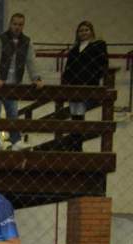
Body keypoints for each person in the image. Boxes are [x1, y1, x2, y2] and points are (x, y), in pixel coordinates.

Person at [0, 13, 44, 150]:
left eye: (20, 24)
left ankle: (16, 141)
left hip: (14, 83)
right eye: (15, 24)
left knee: (13, 112)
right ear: (10, 24)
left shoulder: (27, 42)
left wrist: (37, 78)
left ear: (23, 26)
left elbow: (31, 61)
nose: (17, 27)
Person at [61, 21, 108, 150]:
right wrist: (66, 84)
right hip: (74, 86)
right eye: (81, 30)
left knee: (80, 115)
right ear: (77, 33)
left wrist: (94, 79)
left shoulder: (98, 45)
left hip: (89, 85)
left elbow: (103, 64)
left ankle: (77, 145)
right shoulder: (74, 49)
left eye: (86, 30)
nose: (84, 32)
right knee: (75, 115)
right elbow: (68, 68)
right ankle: (75, 145)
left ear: (92, 32)